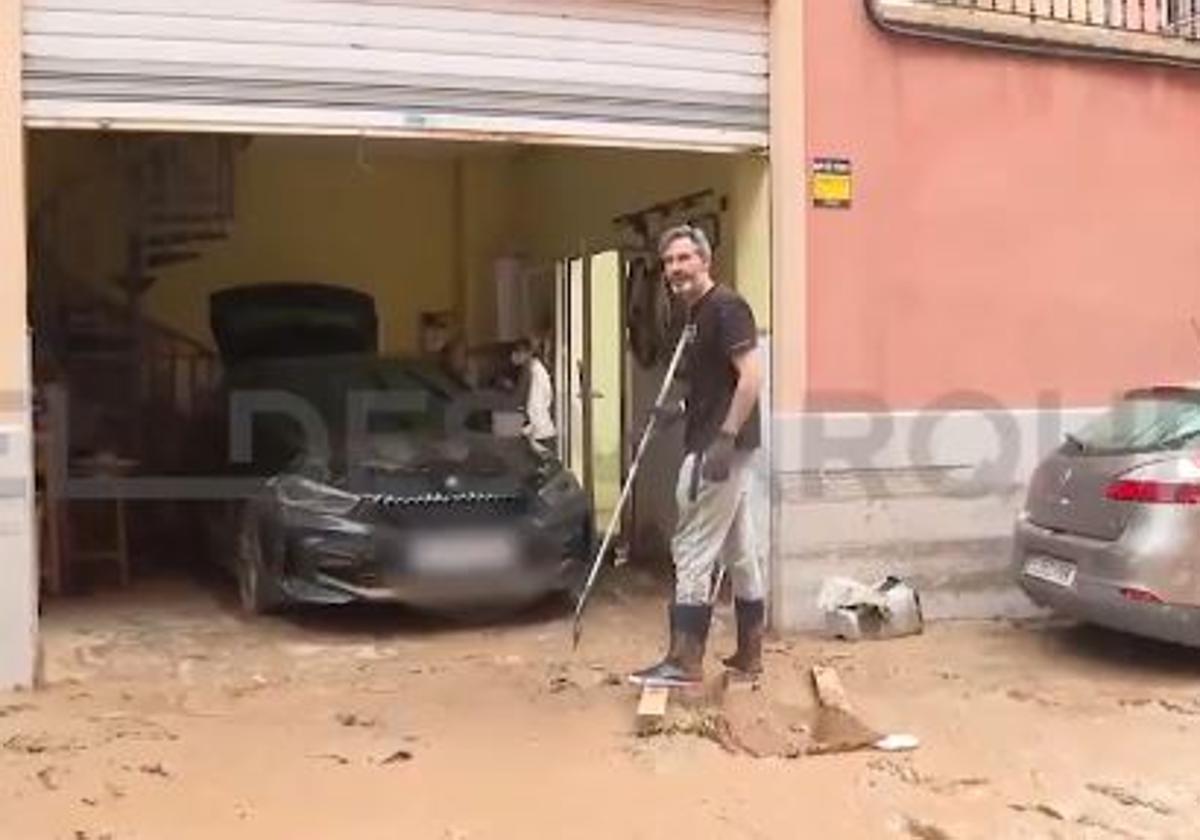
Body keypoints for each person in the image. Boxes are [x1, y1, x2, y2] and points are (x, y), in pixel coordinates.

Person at [628, 224, 765, 688]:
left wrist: (725, 438)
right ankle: (750, 655)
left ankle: (683, 662)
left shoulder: (727, 308)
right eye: (668, 262)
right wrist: (677, 411)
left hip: (717, 448)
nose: (674, 269)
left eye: (683, 259)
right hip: (713, 436)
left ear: (705, 260)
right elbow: (717, 386)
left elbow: (750, 377)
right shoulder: (696, 314)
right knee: (739, 552)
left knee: (690, 548)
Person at [511, 337, 557, 453]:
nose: (512, 357)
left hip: (540, 428)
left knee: (544, 460)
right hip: (538, 426)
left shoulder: (535, 371)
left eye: (516, 354)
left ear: (525, 353)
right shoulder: (532, 369)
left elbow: (536, 401)